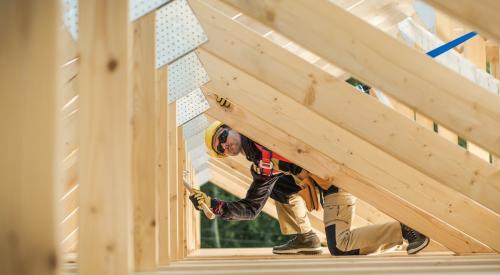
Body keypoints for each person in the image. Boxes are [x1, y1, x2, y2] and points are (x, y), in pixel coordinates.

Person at [190, 118, 429, 256]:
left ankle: (406, 231)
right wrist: (214, 205)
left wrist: (229, 100)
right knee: (275, 187)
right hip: (327, 185)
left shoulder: (259, 123)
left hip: (336, 175)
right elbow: (251, 208)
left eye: (222, 137)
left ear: (231, 125)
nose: (224, 146)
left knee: (340, 245)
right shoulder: (261, 167)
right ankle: (306, 237)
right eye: (220, 150)